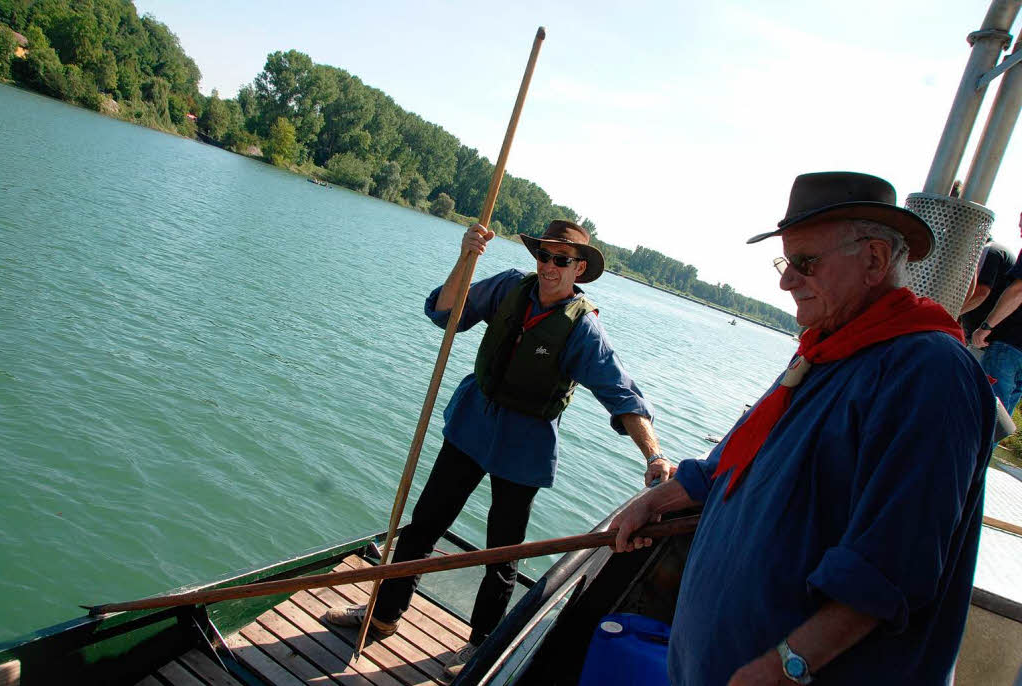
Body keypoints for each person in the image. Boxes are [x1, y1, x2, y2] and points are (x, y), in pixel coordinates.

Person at [611, 172, 995, 686]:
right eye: (786, 262)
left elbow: (892, 567)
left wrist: (786, 665)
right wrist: (654, 501)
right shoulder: (825, 350)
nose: (786, 281)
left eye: (805, 263)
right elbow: (734, 458)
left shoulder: (929, 373)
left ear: (875, 260)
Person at [327, 219, 670, 682]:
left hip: (524, 446)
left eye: (561, 260)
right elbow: (445, 312)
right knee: (423, 525)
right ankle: (383, 615)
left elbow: (622, 394)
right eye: (544, 256)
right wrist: (466, 257)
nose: (549, 266)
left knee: (501, 554)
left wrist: (653, 455)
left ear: (578, 269)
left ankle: (480, 646)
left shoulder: (583, 329)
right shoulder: (510, 287)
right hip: (472, 424)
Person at [971, 212, 1022, 414]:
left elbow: (1018, 291)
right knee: (1000, 420)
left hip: (1008, 346)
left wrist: (985, 328)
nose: (1020, 233)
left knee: (983, 414)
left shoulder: (991, 252)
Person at [959, 236, 1016, 340]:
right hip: (987, 339)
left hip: (990, 339)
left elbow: (980, 294)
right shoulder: (996, 250)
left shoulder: (989, 250)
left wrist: (951, 315)